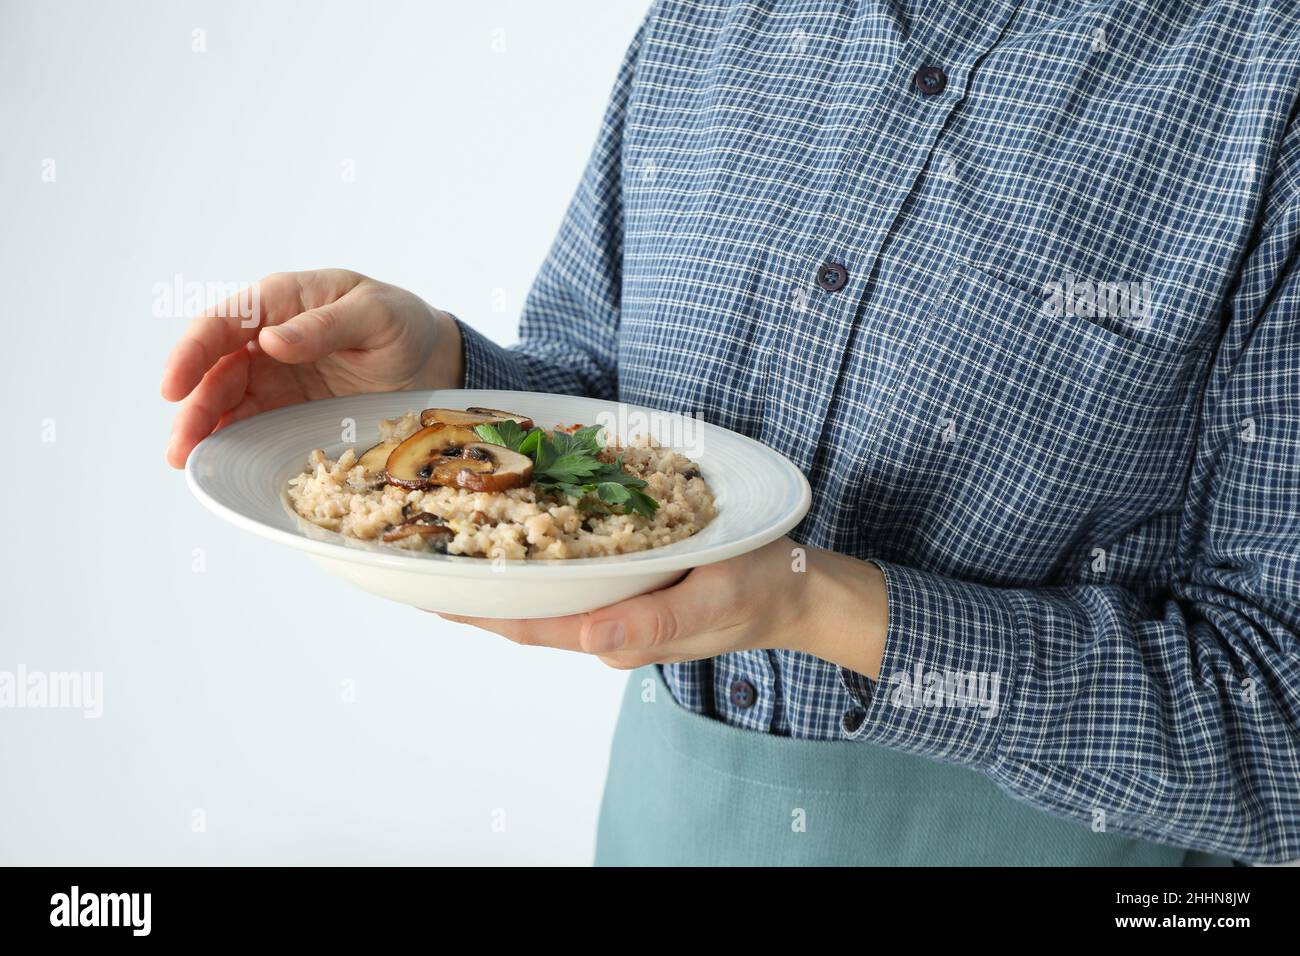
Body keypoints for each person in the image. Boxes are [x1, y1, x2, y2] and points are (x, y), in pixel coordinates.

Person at [162, 1, 1300, 866]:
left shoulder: (1269, 74)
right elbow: (627, 426)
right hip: (663, 825)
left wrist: (816, 600)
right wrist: (453, 387)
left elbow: (1281, 724)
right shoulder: (714, 19)